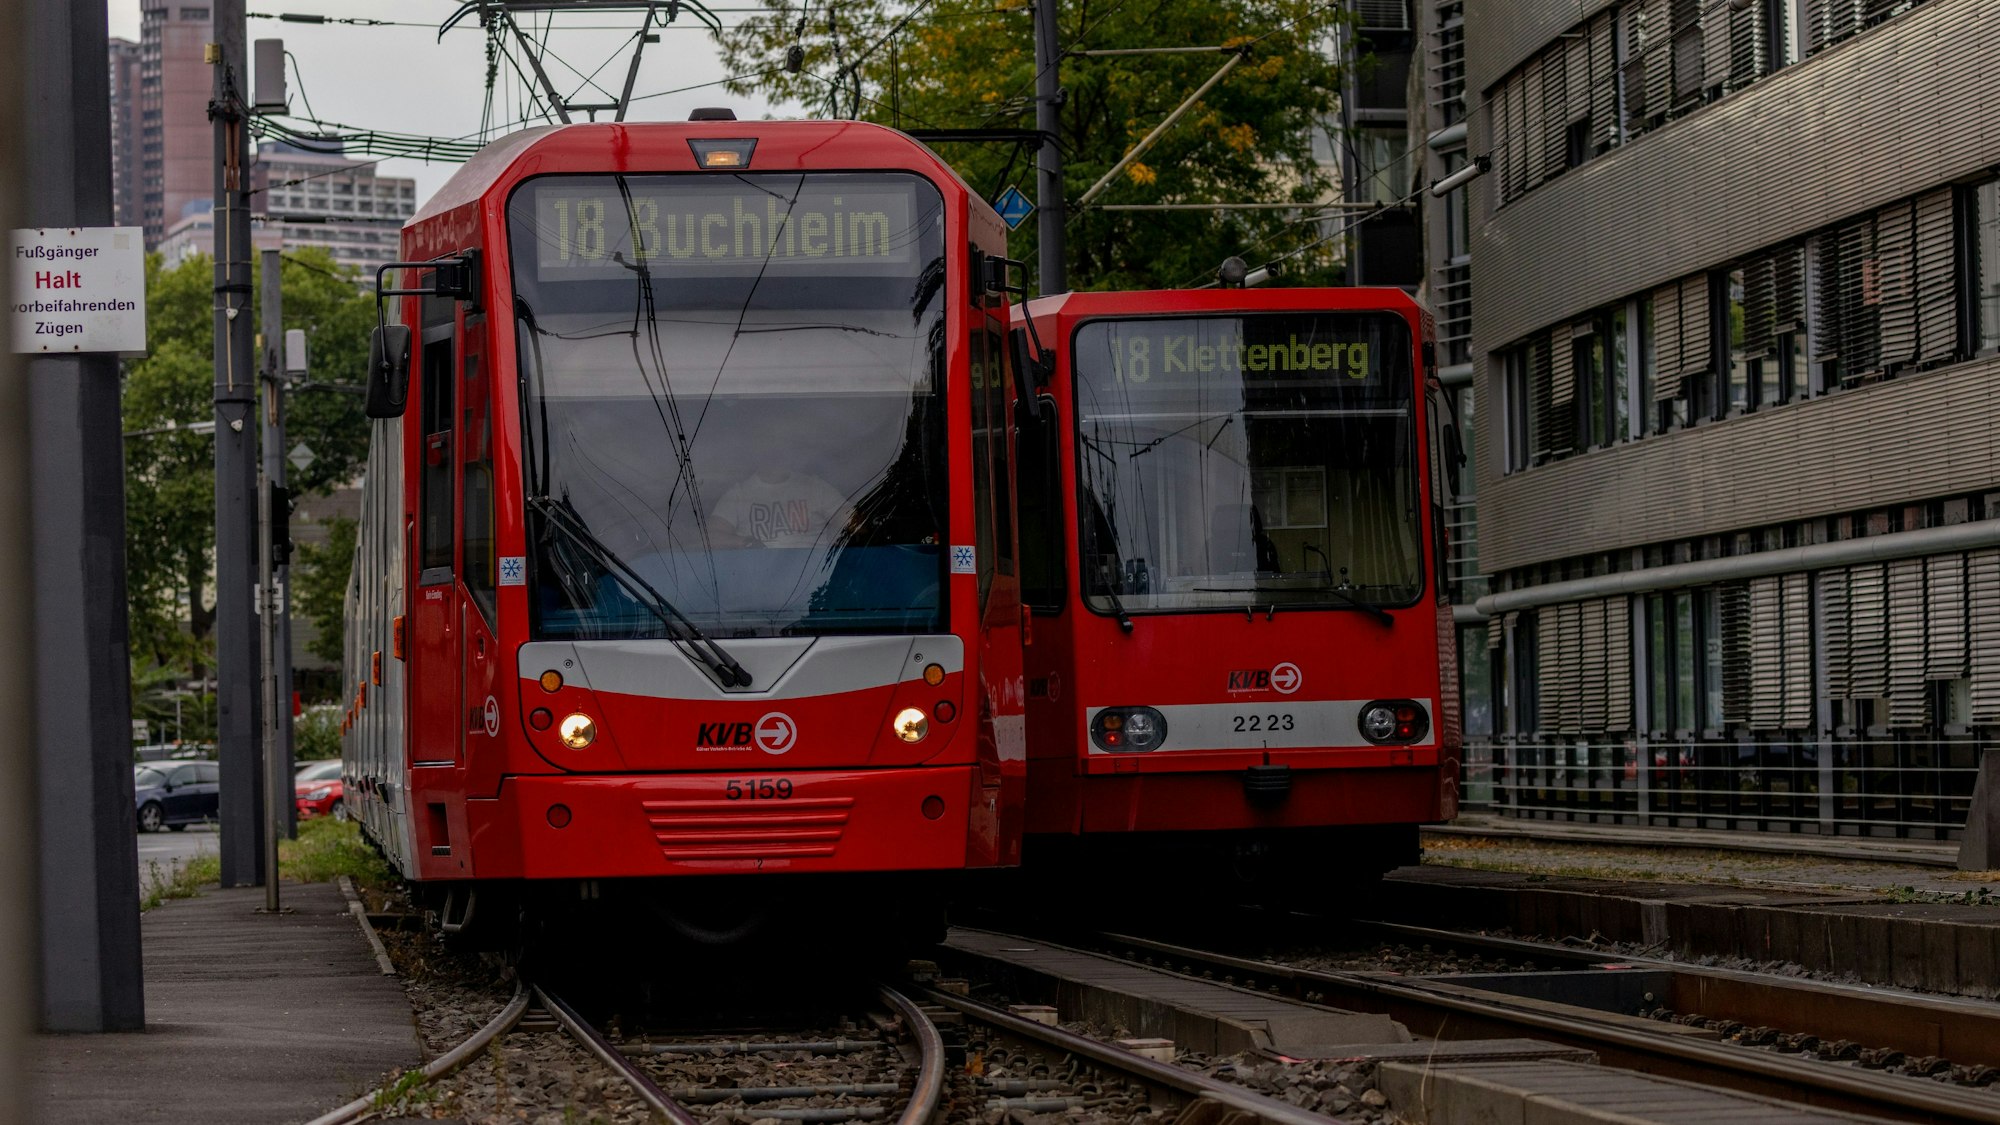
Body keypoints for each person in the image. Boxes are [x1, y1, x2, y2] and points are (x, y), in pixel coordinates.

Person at [708, 465, 857, 549]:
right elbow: (711, 537)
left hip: (816, 581)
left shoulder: (814, 486)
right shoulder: (738, 493)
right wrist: (746, 543)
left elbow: (854, 524)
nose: (773, 450)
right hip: (757, 581)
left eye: (779, 442)